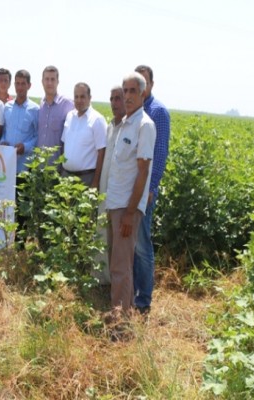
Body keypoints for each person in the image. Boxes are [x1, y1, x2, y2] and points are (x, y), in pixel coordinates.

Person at [105, 72, 156, 315]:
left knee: (121, 266)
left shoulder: (144, 125)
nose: (127, 96)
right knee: (116, 262)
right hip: (114, 204)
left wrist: (129, 212)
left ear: (143, 94)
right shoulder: (126, 123)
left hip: (126, 209)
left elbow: (143, 172)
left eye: (132, 91)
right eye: (124, 91)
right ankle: (120, 311)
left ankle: (120, 323)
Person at [132, 65, 171, 315]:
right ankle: (134, 292)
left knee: (143, 244)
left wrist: (151, 188)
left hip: (145, 190)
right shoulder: (133, 111)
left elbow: (159, 154)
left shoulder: (158, 112)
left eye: (144, 83)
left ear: (151, 85)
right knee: (132, 243)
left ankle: (144, 301)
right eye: (137, 85)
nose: (141, 88)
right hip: (130, 187)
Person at [95, 85, 126, 285]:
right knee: (102, 234)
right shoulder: (110, 126)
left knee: (118, 241)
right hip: (104, 190)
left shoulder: (129, 128)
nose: (114, 103)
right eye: (112, 99)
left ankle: (117, 283)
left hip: (119, 196)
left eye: (118, 98)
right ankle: (103, 278)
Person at [60, 82, 107, 187]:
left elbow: (102, 152)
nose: (79, 100)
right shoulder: (69, 116)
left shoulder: (97, 120)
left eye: (82, 97)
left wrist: (95, 182)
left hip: (86, 179)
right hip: (66, 177)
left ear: (90, 98)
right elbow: (64, 143)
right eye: (76, 97)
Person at [0, 69, 39, 174]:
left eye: (23, 84)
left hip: (24, 167)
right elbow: (4, 130)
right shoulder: (7, 107)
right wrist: (2, 141)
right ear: (14, 85)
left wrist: (25, 147)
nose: (20, 87)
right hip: (6, 166)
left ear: (29, 85)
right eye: (17, 83)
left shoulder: (35, 109)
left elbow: (37, 136)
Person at [37, 66, 74, 164]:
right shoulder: (41, 105)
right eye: (47, 79)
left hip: (57, 167)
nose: (49, 83)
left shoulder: (68, 104)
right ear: (42, 82)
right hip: (39, 167)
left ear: (58, 82)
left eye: (53, 79)